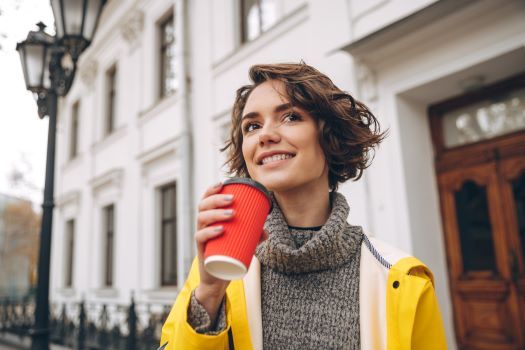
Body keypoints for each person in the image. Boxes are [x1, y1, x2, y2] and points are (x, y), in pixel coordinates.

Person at [160, 63, 447, 350]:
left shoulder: (404, 279)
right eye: (252, 126)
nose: (265, 135)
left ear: (330, 136)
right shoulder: (217, 269)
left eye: (291, 117)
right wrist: (209, 294)